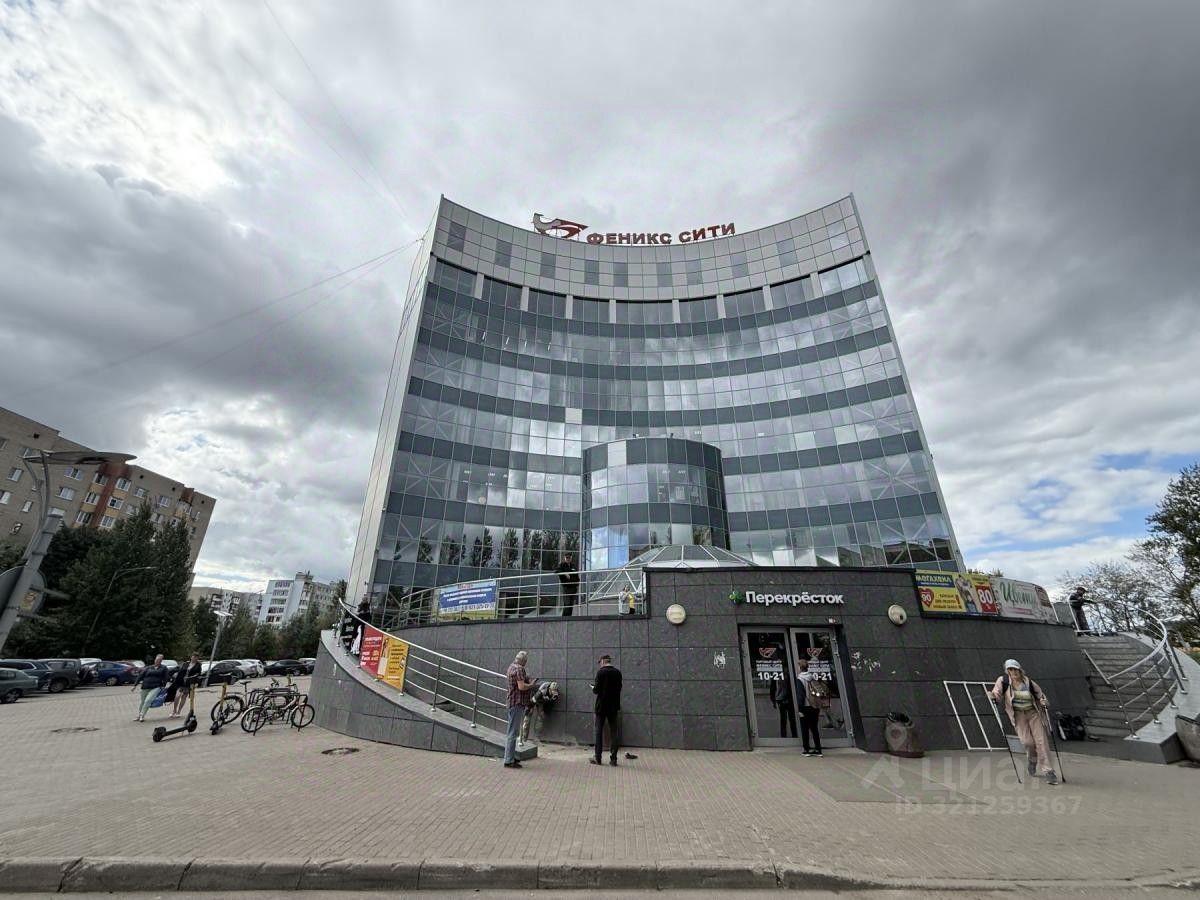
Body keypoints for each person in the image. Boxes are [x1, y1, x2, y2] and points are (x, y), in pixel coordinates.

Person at [991, 658, 1058, 784]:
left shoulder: (1029, 682)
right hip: (1018, 715)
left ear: (1020, 670)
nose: (1013, 672)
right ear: (1007, 671)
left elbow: (1041, 696)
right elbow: (997, 693)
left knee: (1041, 742)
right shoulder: (1003, 681)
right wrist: (993, 696)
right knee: (1028, 742)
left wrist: (1044, 702)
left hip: (1033, 713)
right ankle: (1032, 761)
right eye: (1010, 669)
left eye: (1015, 669)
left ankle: (1048, 771)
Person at [504, 650, 537, 768]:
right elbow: (521, 687)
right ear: (523, 661)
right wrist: (531, 685)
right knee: (513, 732)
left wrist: (525, 679)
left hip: (511, 701)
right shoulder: (519, 669)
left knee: (512, 731)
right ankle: (509, 760)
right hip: (517, 703)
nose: (526, 663)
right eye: (526, 661)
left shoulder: (511, 667)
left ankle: (510, 756)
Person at [591, 653, 623, 766]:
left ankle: (598, 758)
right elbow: (619, 688)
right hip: (613, 706)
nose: (600, 665)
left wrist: (593, 688)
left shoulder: (601, 673)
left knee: (598, 731)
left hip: (601, 707)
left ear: (603, 661)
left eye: (600, 663)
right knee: (614, 732)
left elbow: (596, 690)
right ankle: (613, 759)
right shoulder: (617, 673)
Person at [795, 660, 822, 757]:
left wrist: (800, 709)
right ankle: (818, 749)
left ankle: (806, 749)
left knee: (805, 729)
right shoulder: (812, 677)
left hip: (805, 707)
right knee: (814, 729)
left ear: (800, 668)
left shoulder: (800, 679)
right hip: (815, 706)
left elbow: (800, 696)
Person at [131, 654, 169, 722]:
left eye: (160, 660)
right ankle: (139, 716)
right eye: (157, 659)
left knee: (148, 700)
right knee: (143, 702)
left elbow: (166, 677)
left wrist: (163, 686)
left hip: (156, 687)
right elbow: (140, 676)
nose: (158, 661)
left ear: (161, 661)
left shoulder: (164, 668)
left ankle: (142, 715)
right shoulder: (148, 667)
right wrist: (135, 685)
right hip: (145, 686)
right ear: (155, 659)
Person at [168, 654, 203, 718]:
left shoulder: (198, 665)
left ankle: (179, 712)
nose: (194, 658)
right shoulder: (186, 664)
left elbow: (198, 674)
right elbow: (180, 671)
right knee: (177, 696)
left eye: (196, 657)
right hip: (181, 682)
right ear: (191, 657)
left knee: (183, 697)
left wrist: (196, 682)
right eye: (193, 657)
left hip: (189, 683)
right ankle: (174, 711)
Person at [769, 666, 797, 738]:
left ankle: (789, 735)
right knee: (787, 719)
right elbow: (773, 688)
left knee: (788, 719)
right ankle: (790, 735)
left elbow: (772, 688)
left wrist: (773, 700)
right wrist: (773, 700)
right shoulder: (784, 676)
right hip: (783, 699)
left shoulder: (787, 676)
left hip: (785, 699)